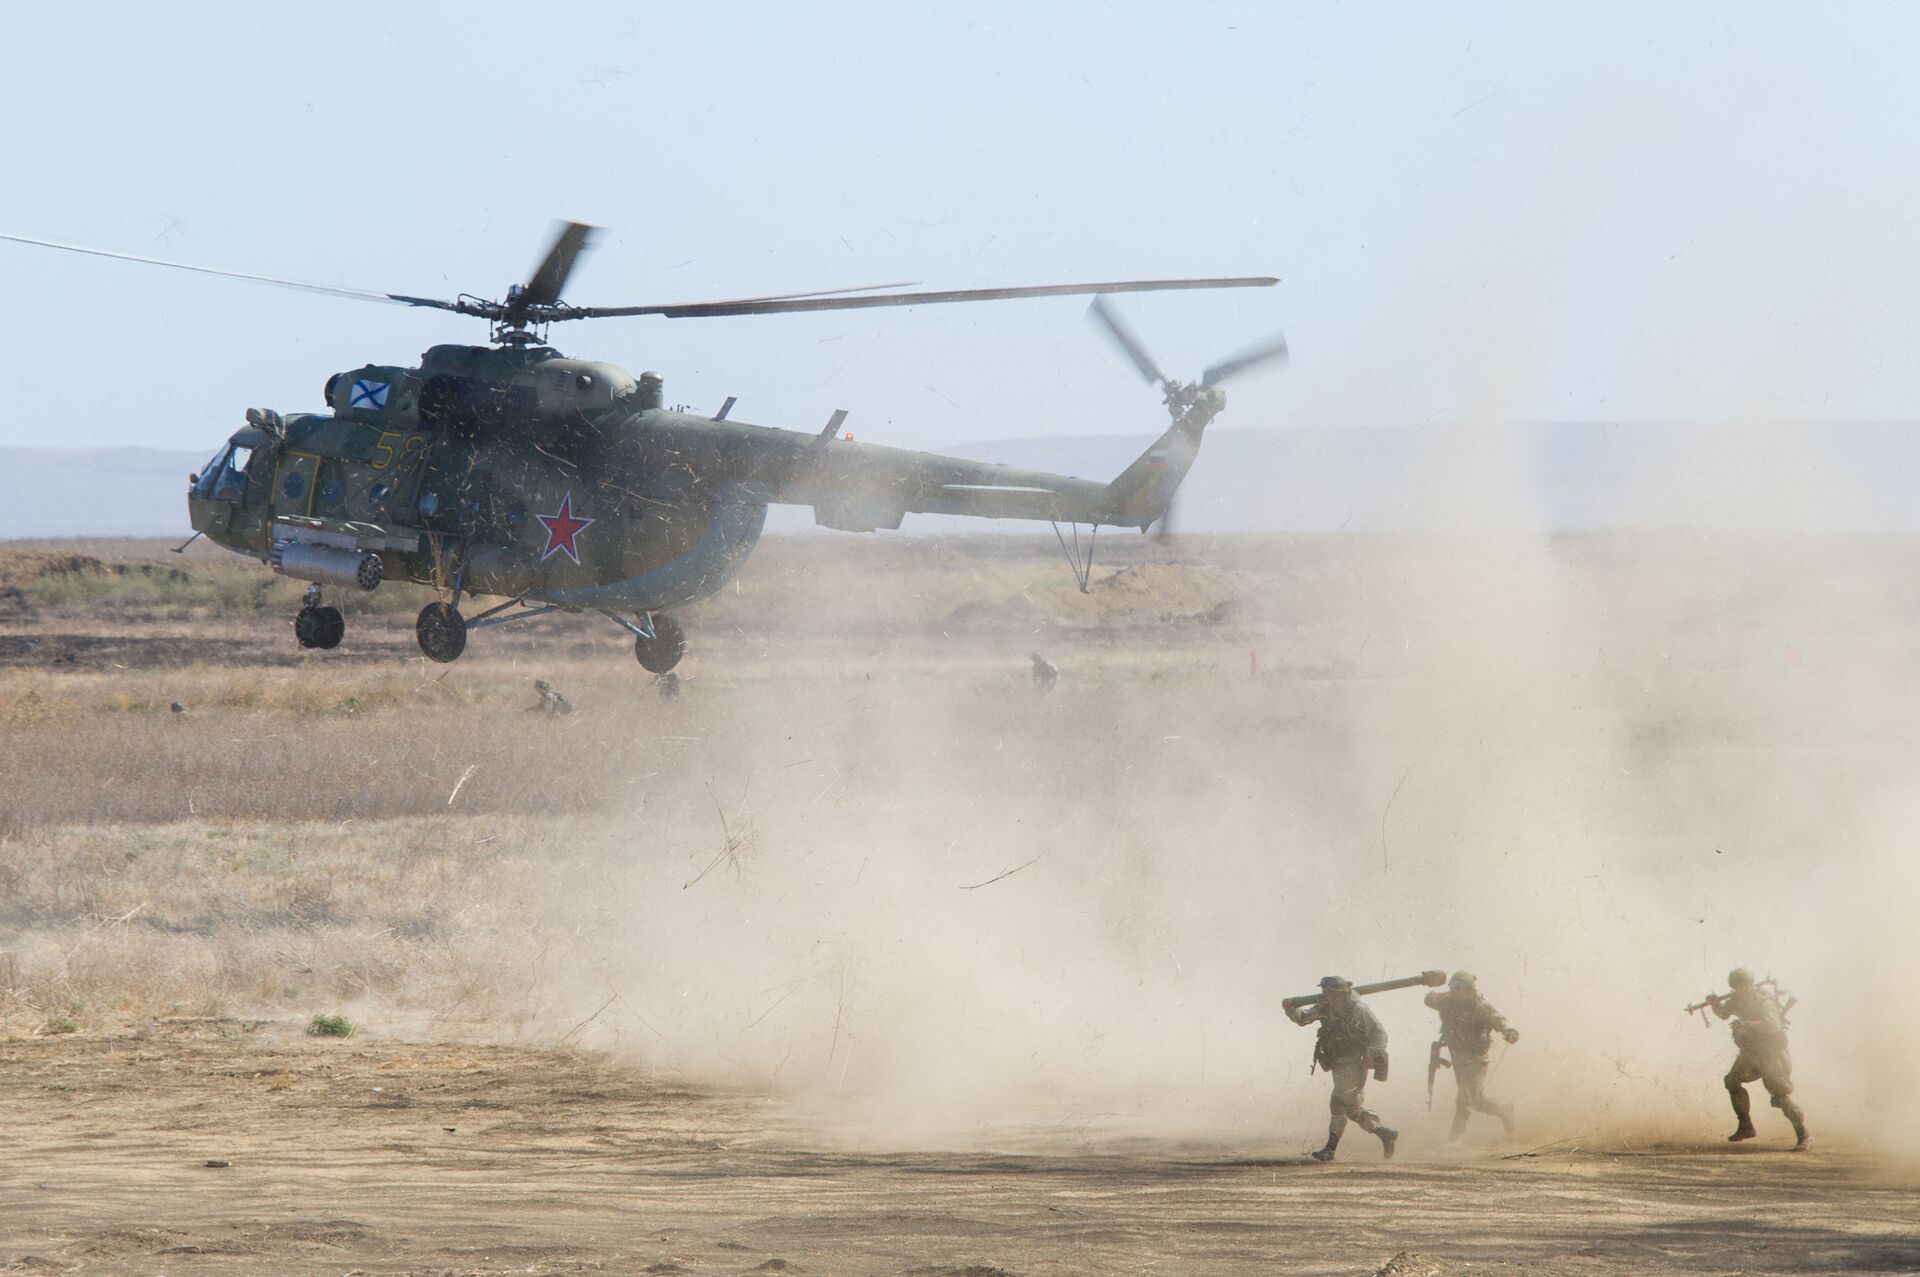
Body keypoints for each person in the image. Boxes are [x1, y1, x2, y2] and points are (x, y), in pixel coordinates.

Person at [1287, 975, 1397, 1162]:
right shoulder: (1324, 1006)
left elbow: (1380, 1034)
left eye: (1332, 994)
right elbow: (1304, 1018)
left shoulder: (1359, 1010)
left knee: (1337, 1102)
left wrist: (1371, 1053)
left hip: (1356, 1063)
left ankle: (1330, 1149)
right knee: (1352, 1109)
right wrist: (1291, 1010)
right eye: (1326, 993)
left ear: (1343, 994)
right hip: (1336, 1062)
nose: (1329, 997)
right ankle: (1384, 1133)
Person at [1710, 967, 1808, 1151]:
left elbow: (1772, 1025)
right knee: (1732, 1080)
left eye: (1743, 985)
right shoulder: (1736, 1000)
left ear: (1750, 984)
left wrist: (1746, 1024)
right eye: (1737, 986)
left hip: (1771, 1053)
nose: (1740, 989)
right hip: (1751, 1052)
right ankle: (1746, 1126)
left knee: (1780, 1096)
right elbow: (1724, 1014)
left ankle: (1803, 1134)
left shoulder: (1764, 1000)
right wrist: (1715, 1004)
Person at [1424, 970, 1518, 1141]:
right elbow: (1429, 1000)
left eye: (1458, 987)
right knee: (1475, 1100)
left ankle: (1454, 1139)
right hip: (1457, 1055)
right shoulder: (1448, 1001)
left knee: (1464, 1097)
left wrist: (1509, 1031)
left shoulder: (1481, 1006)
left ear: (1469, 989)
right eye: (1452, 987)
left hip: (1476, 1058)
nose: (1454, 991)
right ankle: (1504, 1110)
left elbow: (1499, 1020)